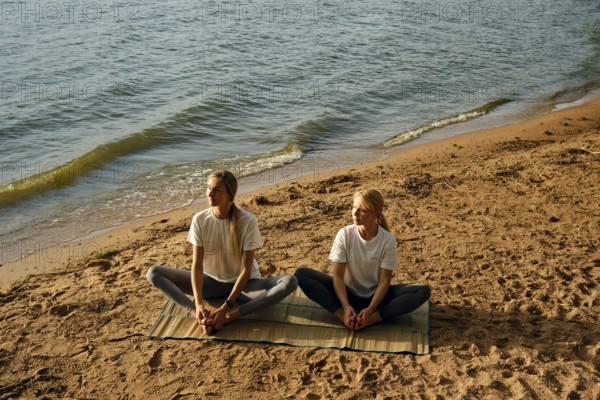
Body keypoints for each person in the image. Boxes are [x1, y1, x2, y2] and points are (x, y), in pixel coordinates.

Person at [147, 170, 297, 334]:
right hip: (211, 284)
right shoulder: (200, 219)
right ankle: (197, 316)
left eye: (217, 190)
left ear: (229, 194)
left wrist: (227, 307)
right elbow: (197, 267)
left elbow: (246, 270)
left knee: (290, 282)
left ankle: (231, 317)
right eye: (208, 188)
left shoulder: (247, 221)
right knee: (154, 273)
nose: (210, 194)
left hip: (246, 286)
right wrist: (197, 305)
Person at [295, 189, 430, 331]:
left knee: (422, 291)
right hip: (345, 293)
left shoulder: (387, 240)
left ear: (376, 214)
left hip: (376, 297)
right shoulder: (345, 234)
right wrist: (346, 307)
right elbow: (338, 276)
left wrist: (370, 310)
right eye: (353, 207)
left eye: (362, 210)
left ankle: (370, 320)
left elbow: (385, 281)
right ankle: (343, 317)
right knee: (301, 274)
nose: (355, 213)